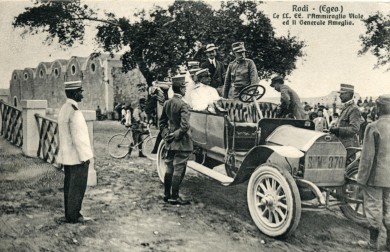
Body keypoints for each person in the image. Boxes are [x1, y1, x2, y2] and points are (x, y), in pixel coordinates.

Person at [356, 95, 390, 250]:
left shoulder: (374, 127)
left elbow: (367, 157)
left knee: (373, 209)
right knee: (389, 209)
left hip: (375, 177)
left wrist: (361, 180)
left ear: (379, 107)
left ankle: (372, 243)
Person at [57, 80, 93, 223]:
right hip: (77, 157)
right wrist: (85, 157)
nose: (81, 95)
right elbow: (79, 138)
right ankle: (74, 215)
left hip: (68, 156)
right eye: (79, 92)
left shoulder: (64, 109)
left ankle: (69, 213)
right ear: (73, 93)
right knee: (77, 187)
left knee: (69, 186)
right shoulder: (74, 111)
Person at [159, 75, 193, 205]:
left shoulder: (167, 103)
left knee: (169, 167)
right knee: (179, 168)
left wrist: (167, 134)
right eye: (184, 87)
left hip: (170, 142)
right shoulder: (183, 105)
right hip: (182, 142)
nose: (185, 90)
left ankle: (166, 194)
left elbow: (161, 122)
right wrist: (176, 134)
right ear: (181, 89)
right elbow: (185, 126)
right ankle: (175, 196)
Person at [329, 84, 362, 148]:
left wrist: (337, 130)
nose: (340, 96)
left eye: (342, 94)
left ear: (349, 94)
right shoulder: (346, 107)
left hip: (348, 147)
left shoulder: (354, 109)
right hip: (342, 145)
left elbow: (354, 129)